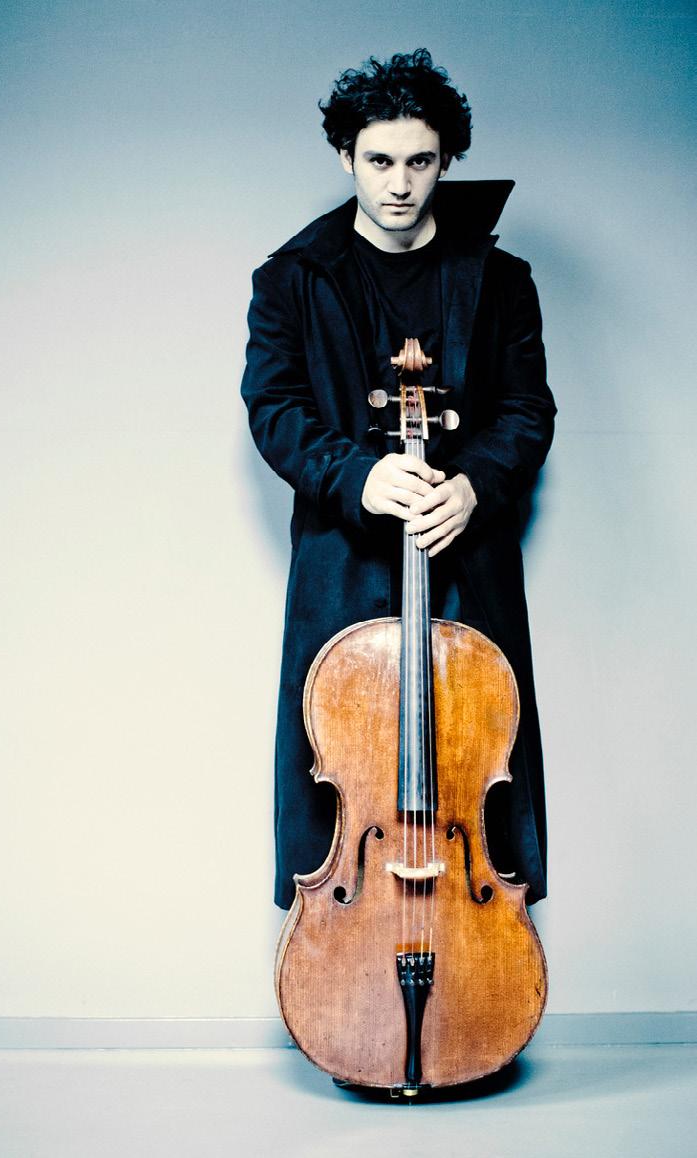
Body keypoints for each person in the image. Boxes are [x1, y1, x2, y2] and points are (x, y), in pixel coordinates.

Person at [241, 49, 556, 912]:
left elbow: (526, 410)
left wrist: (474, 485)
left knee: (479, 769)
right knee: (337, 775)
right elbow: (273, 409)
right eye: (378, 160)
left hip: (466, 558)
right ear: (344, 155)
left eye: (420, 161)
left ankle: (479, 968)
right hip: (342, 564)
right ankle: (340, 962)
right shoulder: (291, 280)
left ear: (446, 159)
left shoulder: (499, 280)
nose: (399, 184)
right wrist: (357, 476)